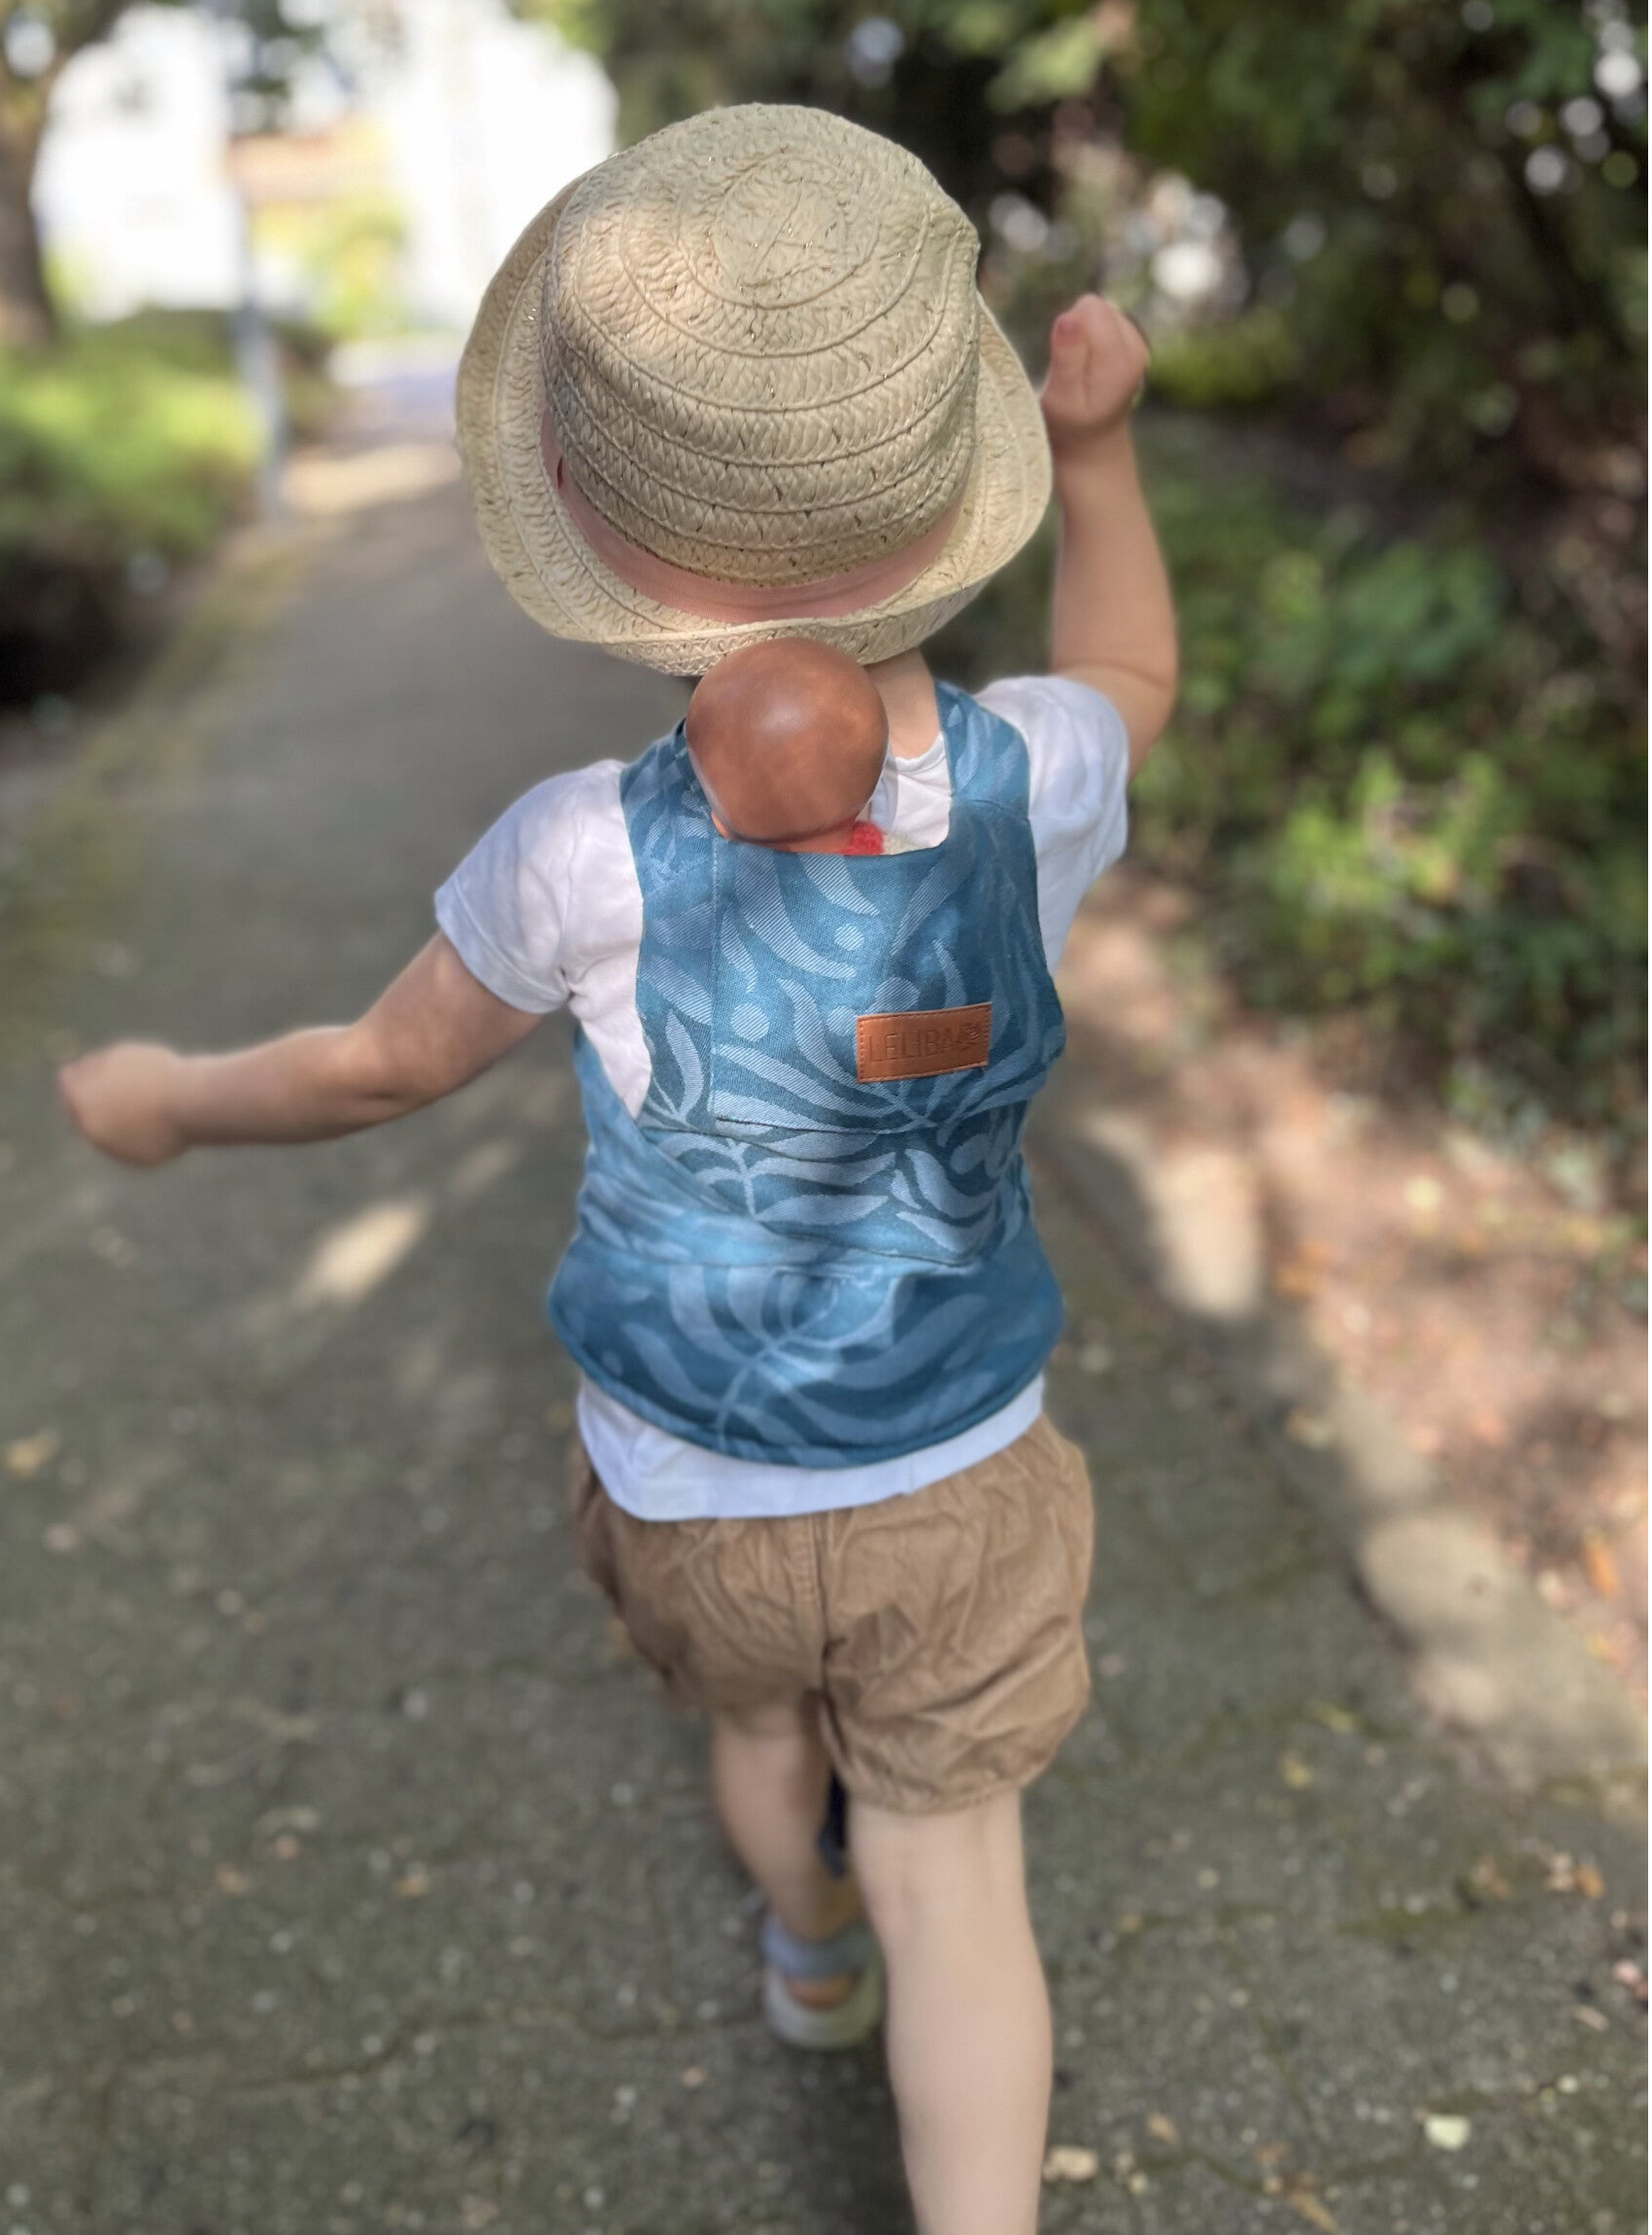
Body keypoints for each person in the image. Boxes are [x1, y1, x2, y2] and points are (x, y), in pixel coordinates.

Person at [58, 106, 1177, 2235]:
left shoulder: (579, 853)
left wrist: (178, 1096)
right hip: (961, 1459)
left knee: (761, 1749)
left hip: (695, 1480)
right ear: (950, 492)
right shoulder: (1036, 781)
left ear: (617, 556)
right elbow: (1134, 668)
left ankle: (804, 1946)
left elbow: (375, 1070)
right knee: (963, 1878)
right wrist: (1104, 455)